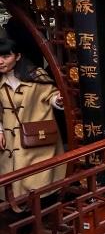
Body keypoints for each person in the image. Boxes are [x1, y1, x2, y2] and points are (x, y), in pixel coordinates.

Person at [0, 38, 66, 206]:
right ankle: (21, 218)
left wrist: (58, 100)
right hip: (8, 141)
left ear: (18, 56)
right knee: (12, 182)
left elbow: (50, 96)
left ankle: (35, 215)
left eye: (5, 56)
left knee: (35, 181)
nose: (0, 61)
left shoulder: (36, 75)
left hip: (36, 139)